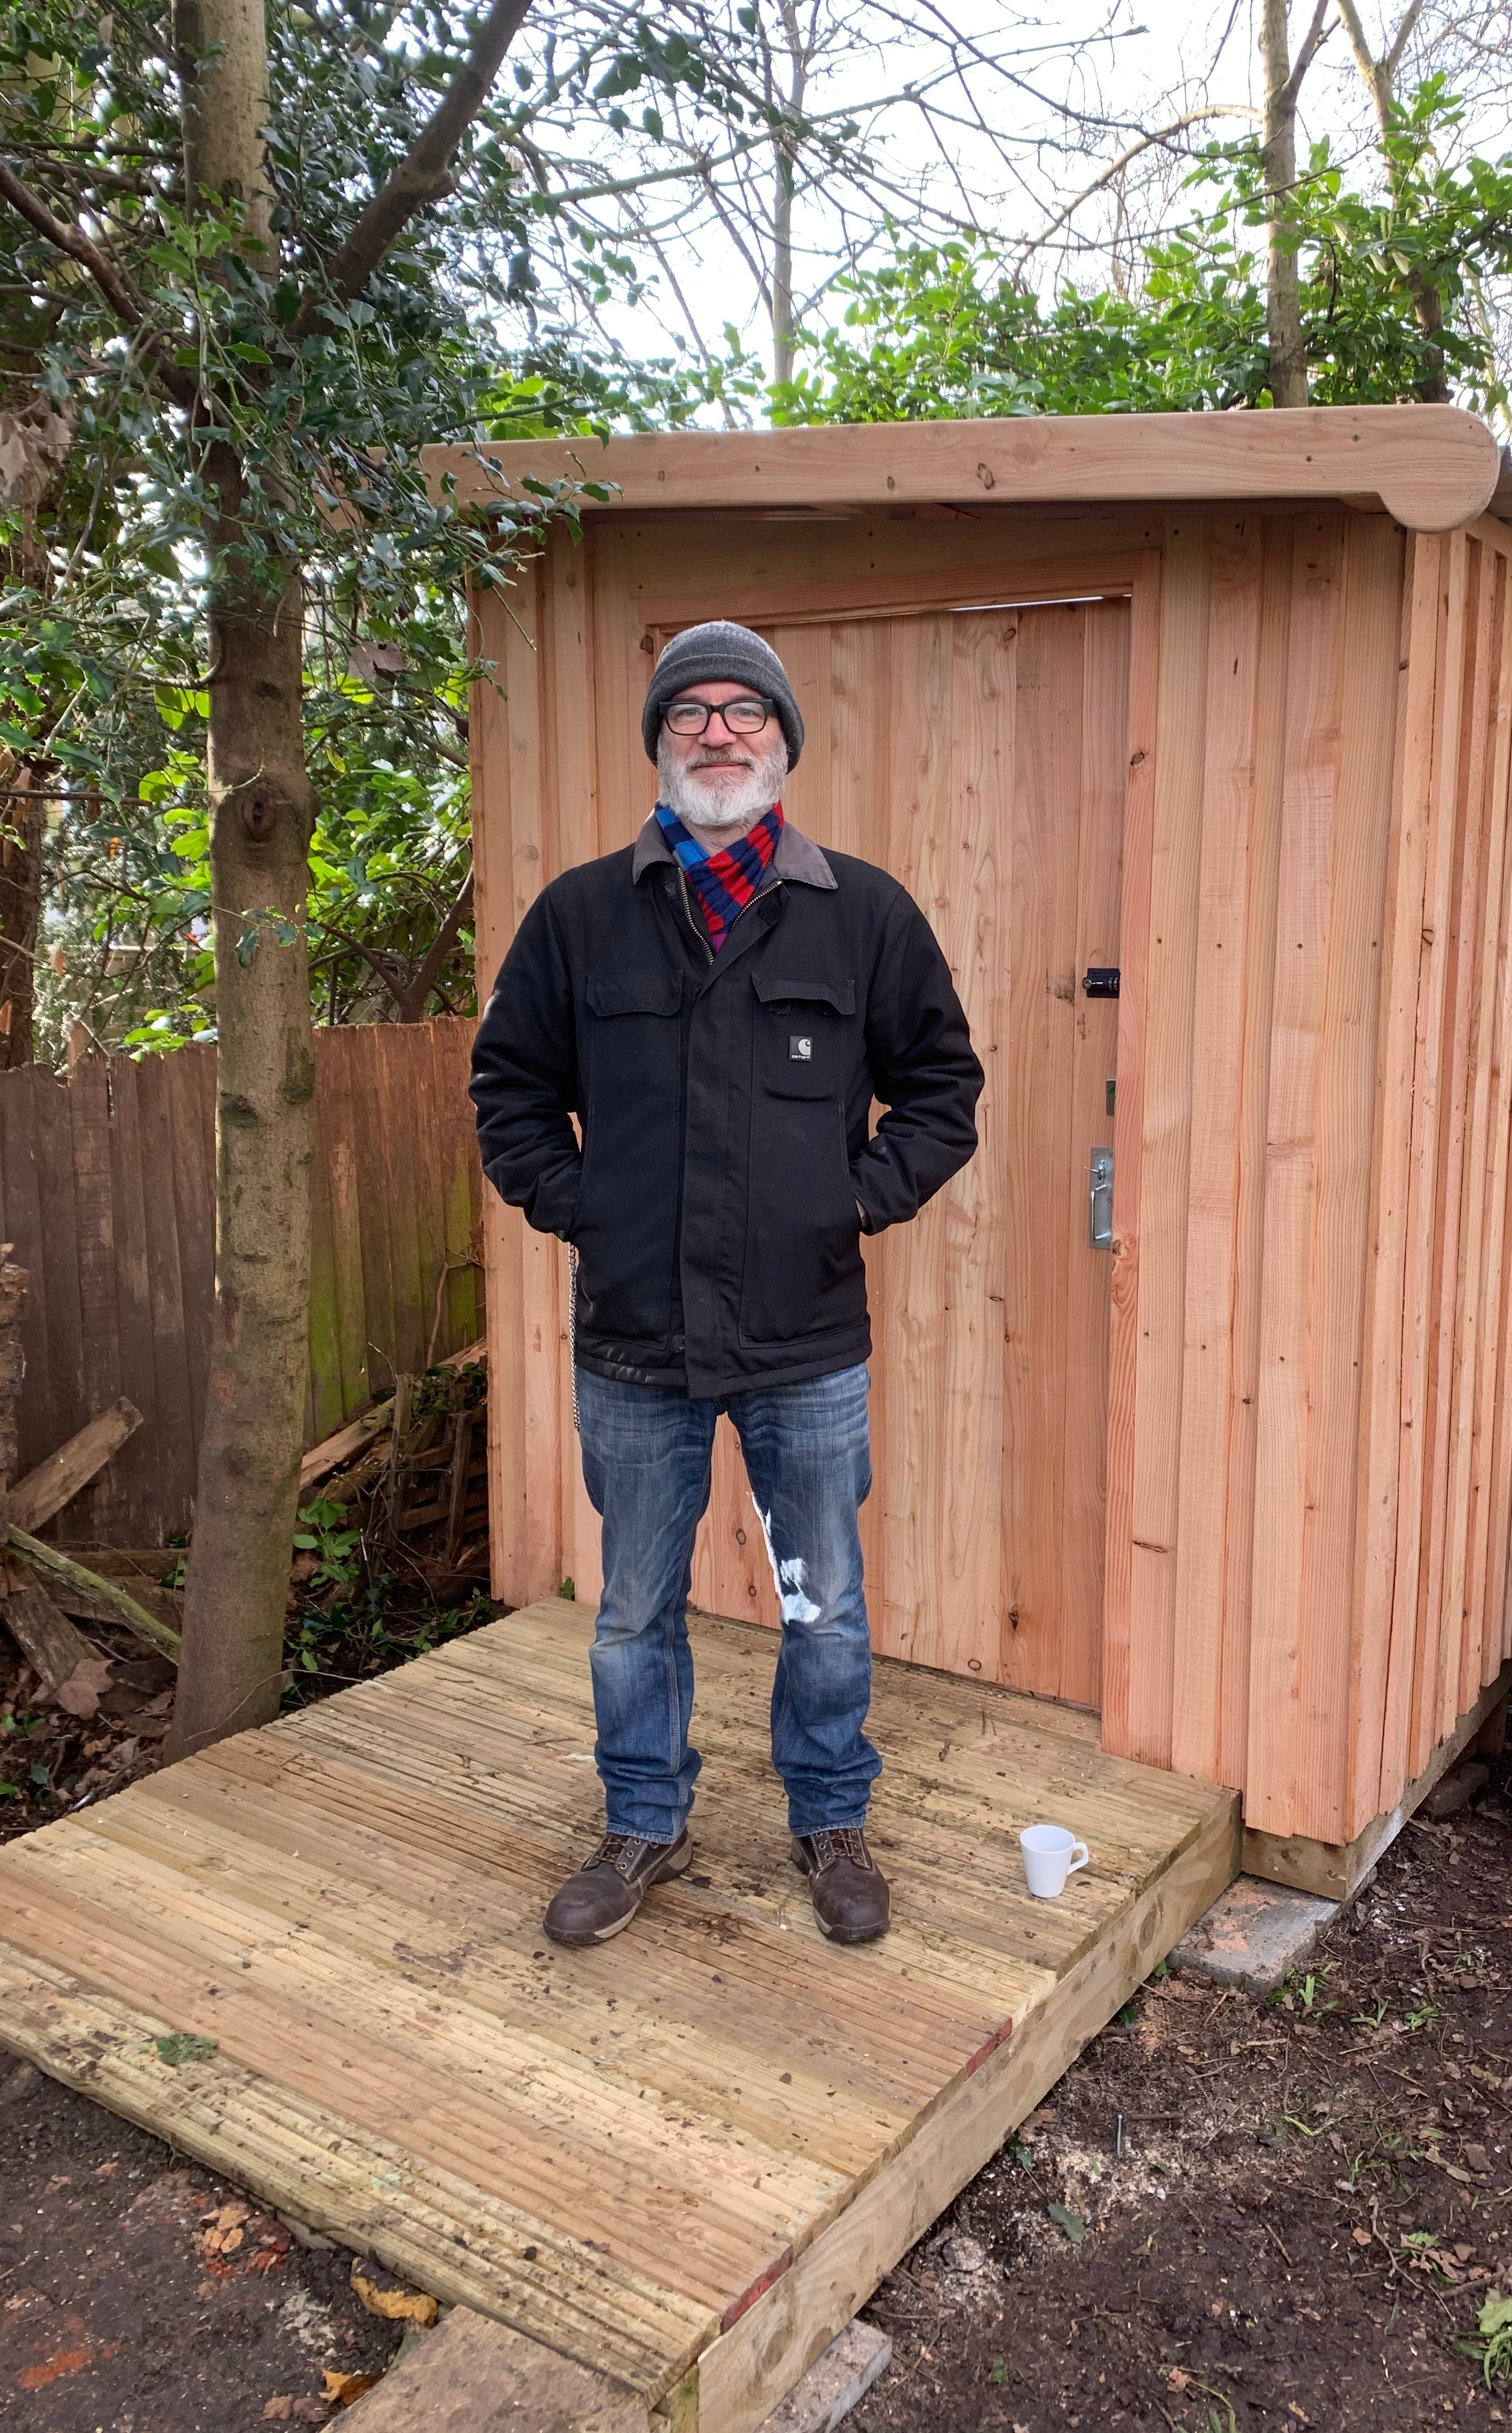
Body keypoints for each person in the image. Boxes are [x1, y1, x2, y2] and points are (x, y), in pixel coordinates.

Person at [469, 620, 983, 1950]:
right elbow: (510, 1091)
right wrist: (587, 1210)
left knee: (825, 1606)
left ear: (783, 744)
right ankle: (643, 1817)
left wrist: (853, 1201)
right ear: (658, 742)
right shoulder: (583, 916)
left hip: (805, 1342)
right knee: (634, 1611)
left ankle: (830, 1816)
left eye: (745, 712)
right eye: (691, 711)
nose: (718, 732)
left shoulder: (862, 913)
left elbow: (943, 1091)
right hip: (634, 1341)